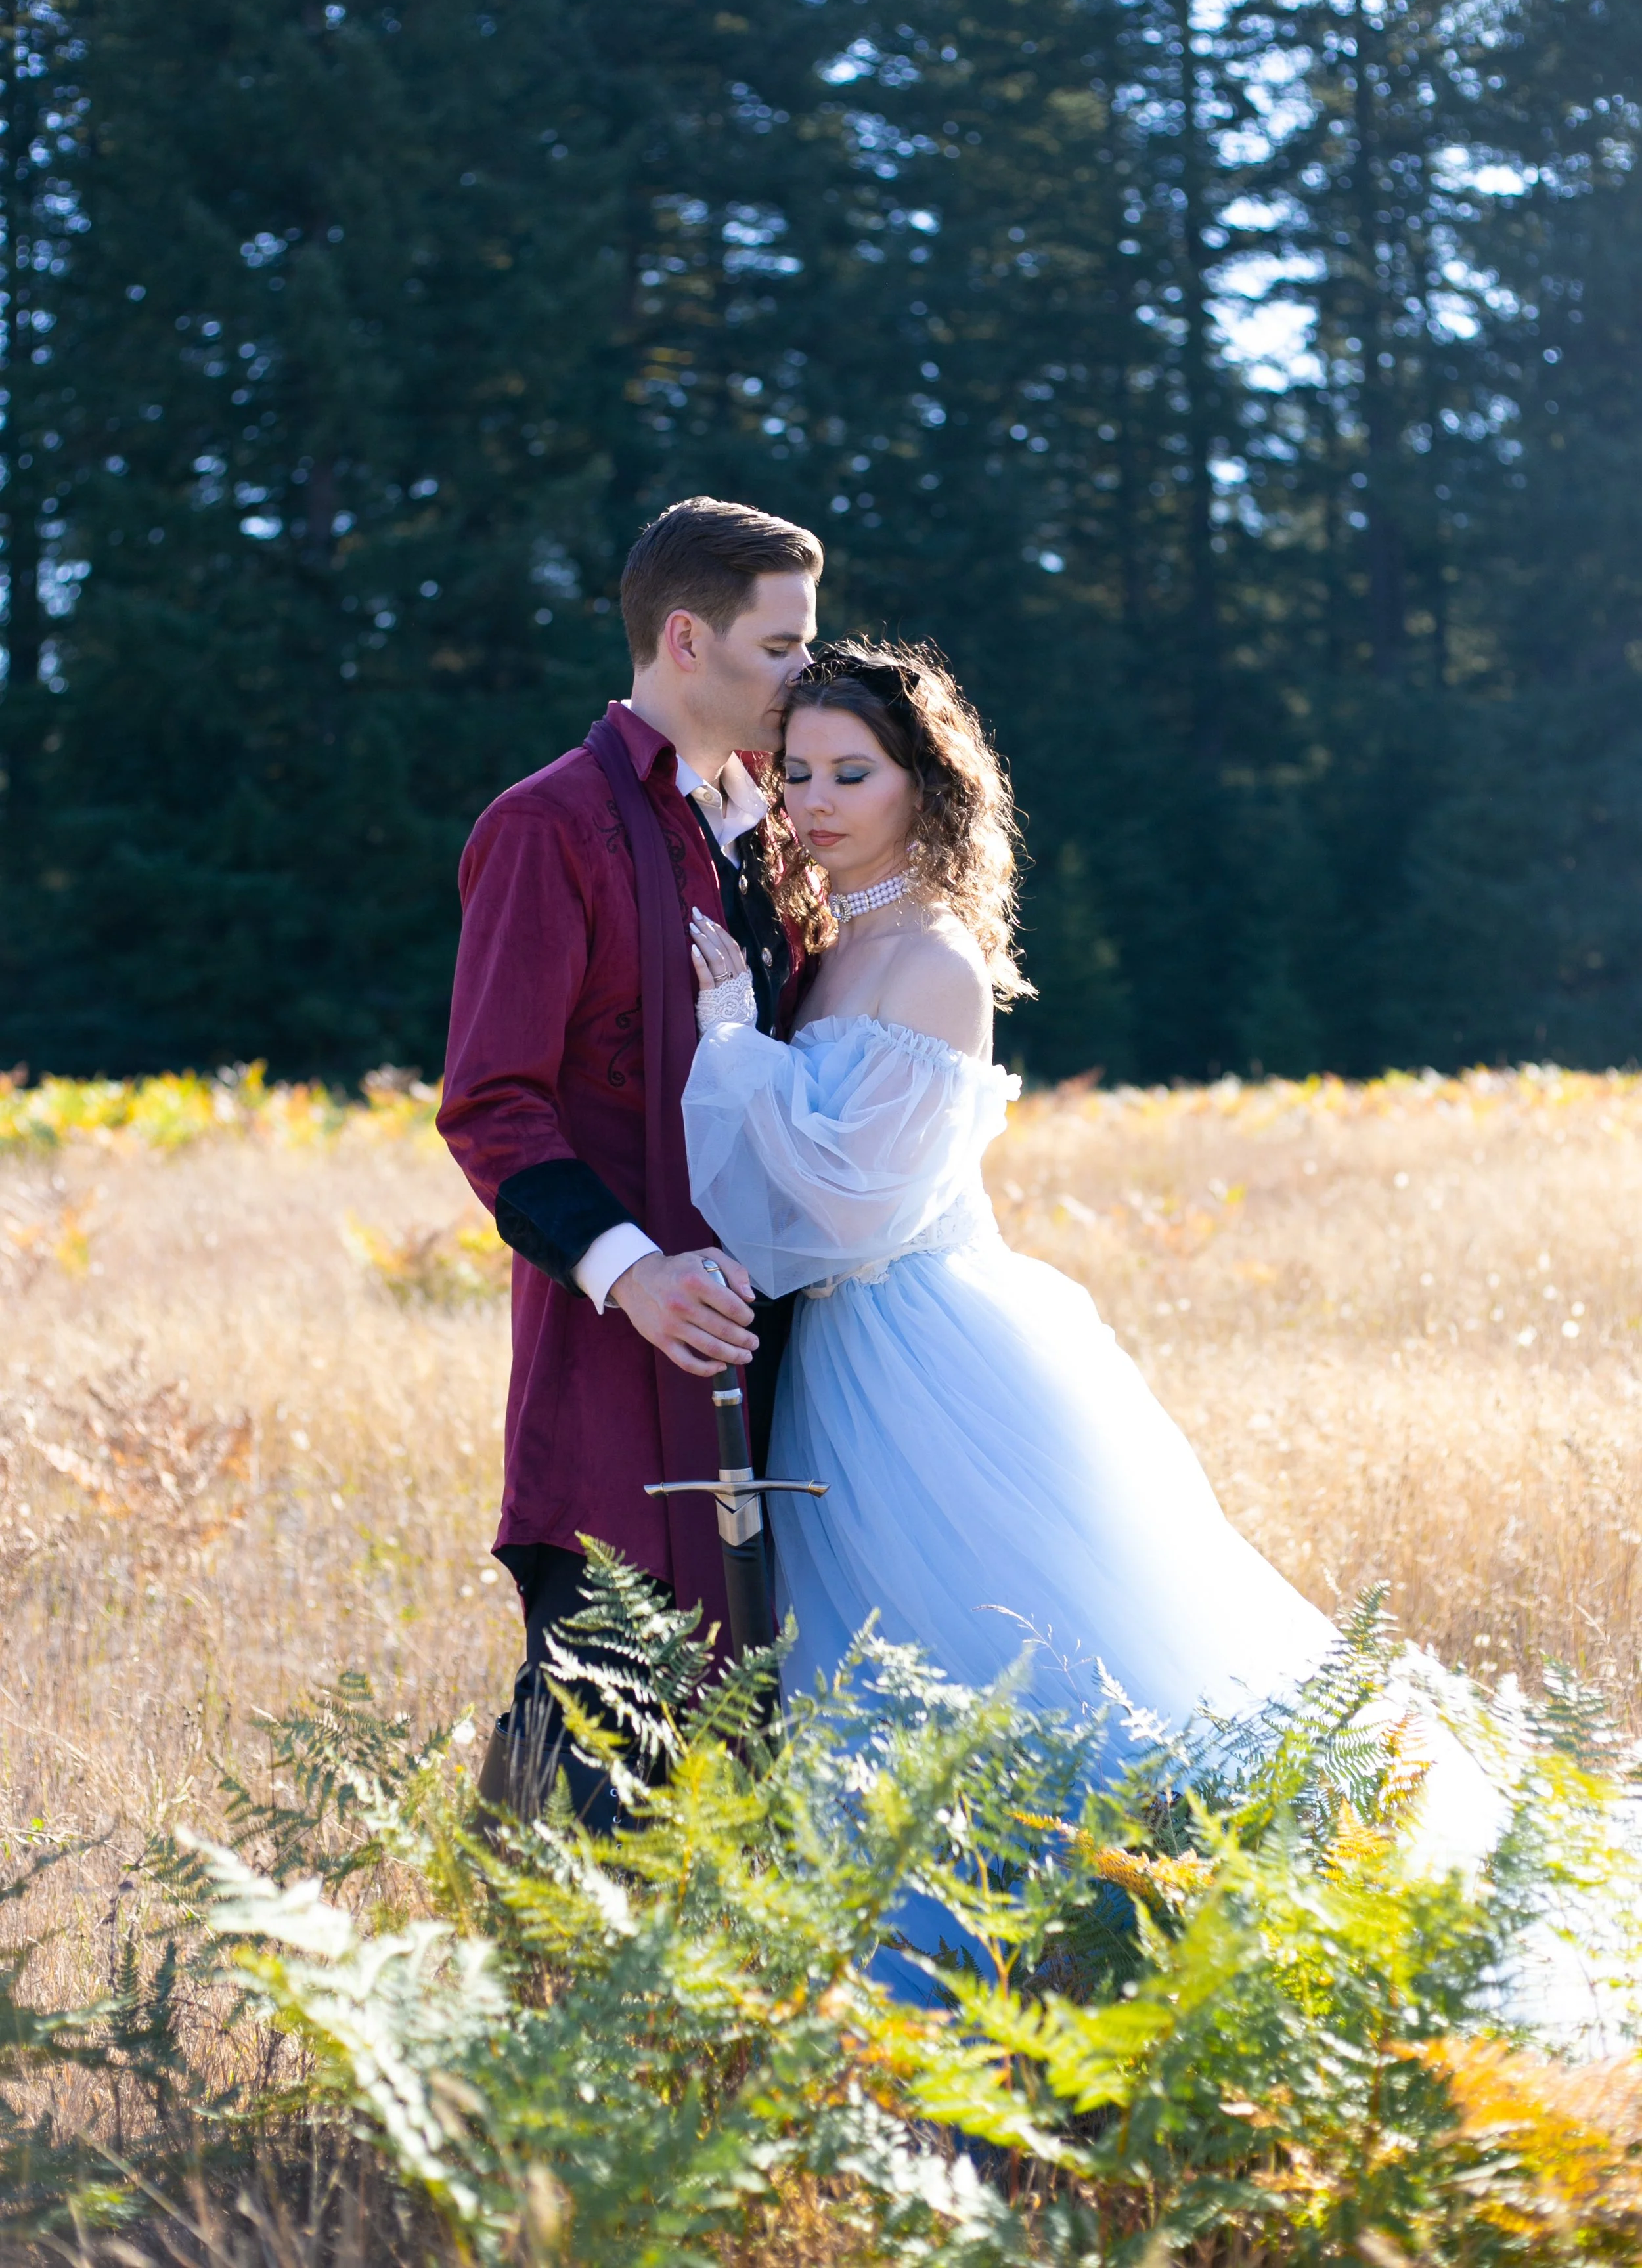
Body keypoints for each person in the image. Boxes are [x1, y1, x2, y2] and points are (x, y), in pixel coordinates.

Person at [680, 638, 1342, 1752]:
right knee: (885, 1674)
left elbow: (855, 1208)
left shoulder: (931, 957)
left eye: (855, 773)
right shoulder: (841, 940)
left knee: (1008, 1658)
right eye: (797, 771)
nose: (817, 801)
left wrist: (734, 1035)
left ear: (923, 784)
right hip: (844, 1352)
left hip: (922, 1348)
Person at [437, 496, 824, 1816]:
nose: (802, 677)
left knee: (746, 1748)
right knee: (594, 1749)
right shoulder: (548, 826)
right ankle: (510, 1993)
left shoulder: (777, 829)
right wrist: (633, 1274)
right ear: (682, 640)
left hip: (774, 1352)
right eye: (779, 647)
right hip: (616, 1354)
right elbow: (492, 1106)